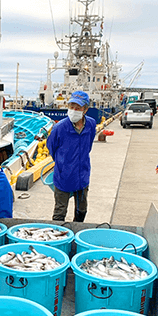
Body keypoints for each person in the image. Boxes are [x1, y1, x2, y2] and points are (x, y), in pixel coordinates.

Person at [46, 91, 96, 222]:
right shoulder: (59, 128)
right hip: (64, 176)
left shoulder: (91, 124)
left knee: (82, 210)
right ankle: (57, 238)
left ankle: (77, 231)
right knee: (59, 212)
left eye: (78, 108)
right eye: (71, 107)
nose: (74, 111)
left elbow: (88, 146)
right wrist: (63, 163)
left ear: (85, 110)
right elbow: (51, 147)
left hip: (82, 174)